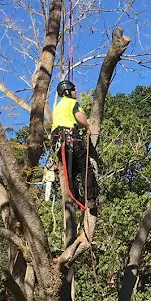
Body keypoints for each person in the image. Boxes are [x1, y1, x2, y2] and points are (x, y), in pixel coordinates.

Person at [51, 79, 100, 209]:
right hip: (71, 139)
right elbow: (79, 117)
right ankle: (91, 199)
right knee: (86, 169)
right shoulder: (72, 103)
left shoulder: (58, 107)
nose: (76, 92)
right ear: (67, 91)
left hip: (59, 144)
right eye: (73, 89)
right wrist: (87, 125)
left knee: (71, 173)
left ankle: (77, 201)